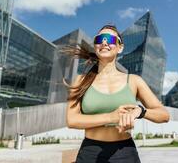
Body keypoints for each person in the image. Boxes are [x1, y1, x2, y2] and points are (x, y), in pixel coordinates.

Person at [63, 24, 170, 163]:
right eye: (100, 39)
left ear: (120, 47)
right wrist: (111, 117)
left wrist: (140, 112)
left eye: (110, 39)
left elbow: (164, 115)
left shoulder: (134, 81)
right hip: (90, 153)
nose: (104, 42)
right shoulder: (81, 80)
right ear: (95, 47)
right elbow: (72, 120)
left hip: (125, 153)